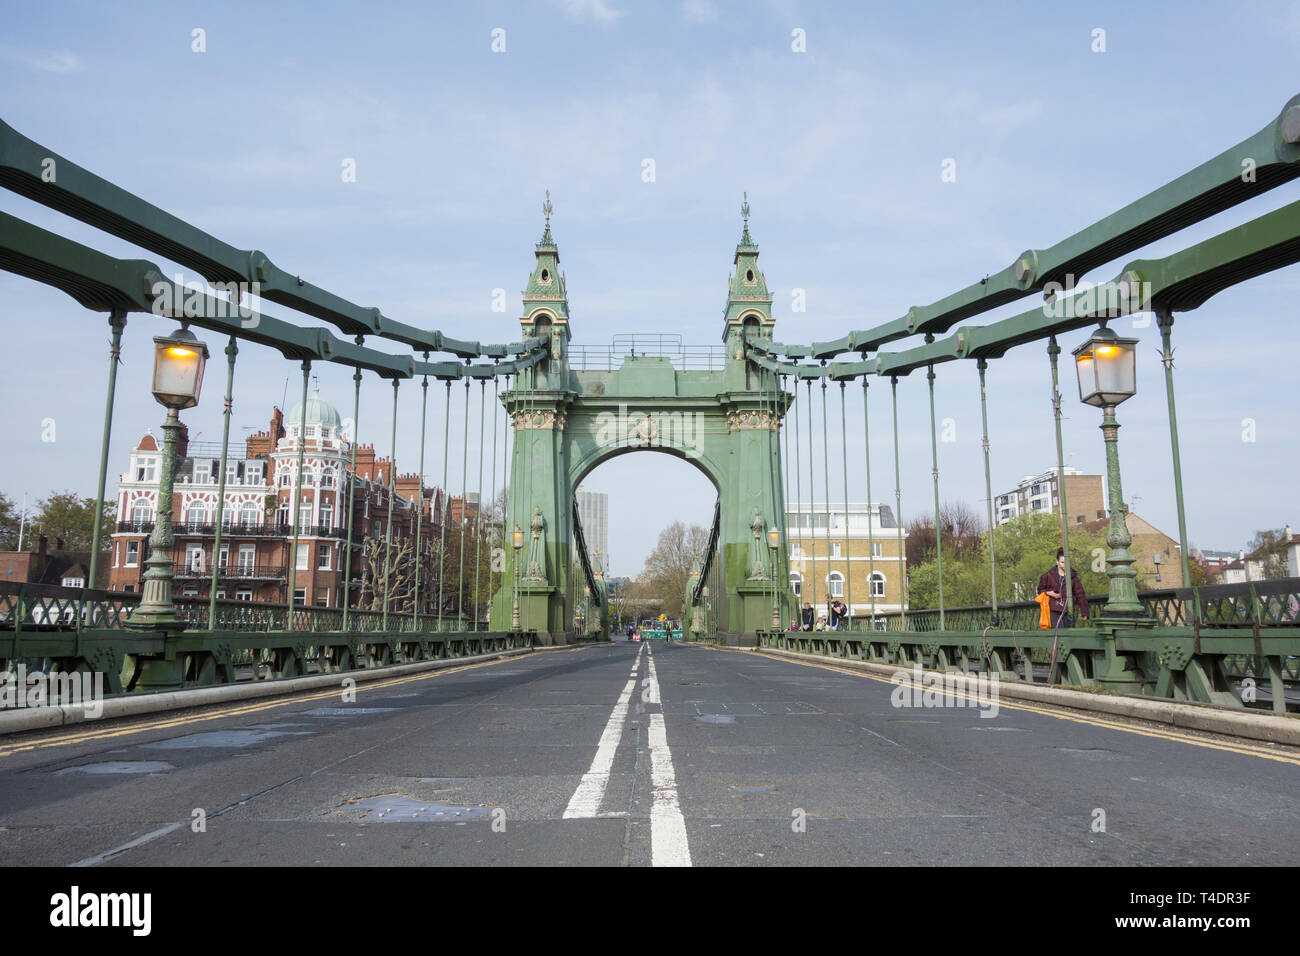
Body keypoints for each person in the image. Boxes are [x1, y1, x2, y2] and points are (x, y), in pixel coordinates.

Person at [1037, 547, 1090, 628]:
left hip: (1069, 610)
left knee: (1069, 635)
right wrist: (1049, 593)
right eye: (1062, 562)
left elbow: (1080, 595)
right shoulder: (1048, 576)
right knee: (1059, 634)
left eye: (1066, 562)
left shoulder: (1073, 577)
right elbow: (1040, 590)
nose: (1064, 565)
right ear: (1057, 561)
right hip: (1054, 610)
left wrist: (1085, 612)